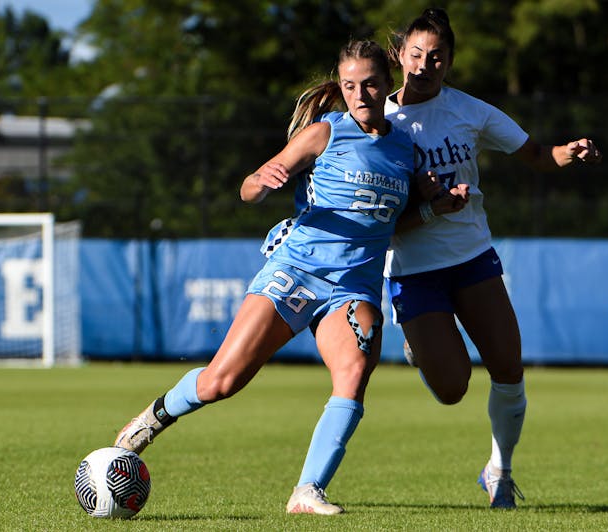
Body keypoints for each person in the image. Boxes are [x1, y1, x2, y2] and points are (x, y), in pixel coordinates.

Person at [113, 39, 418, 516]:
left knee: (354, 374)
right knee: (222, 381)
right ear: (340, 87)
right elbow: (248, 187)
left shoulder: (405, 150)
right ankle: (151, 419)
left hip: (353, 287)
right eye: (350, 85)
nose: (360, 94)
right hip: (297, 272)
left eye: (371, 84)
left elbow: (398, 221)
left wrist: (439, 204)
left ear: (388, 83)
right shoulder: (325, 134)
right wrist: (263, 181)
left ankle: (307, 491)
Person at [384, 8, 603, 509]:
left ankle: (499, 472)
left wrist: (571, 151)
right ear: (399, 55)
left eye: (436, 56)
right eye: (415, 53)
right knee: (452, 389)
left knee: (508, 368)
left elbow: (537, 154)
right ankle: (422, 344)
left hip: (471, 257)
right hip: (413, 270)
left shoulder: (470, 111)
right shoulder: (375, 121)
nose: (424, 64)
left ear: (450, 62)